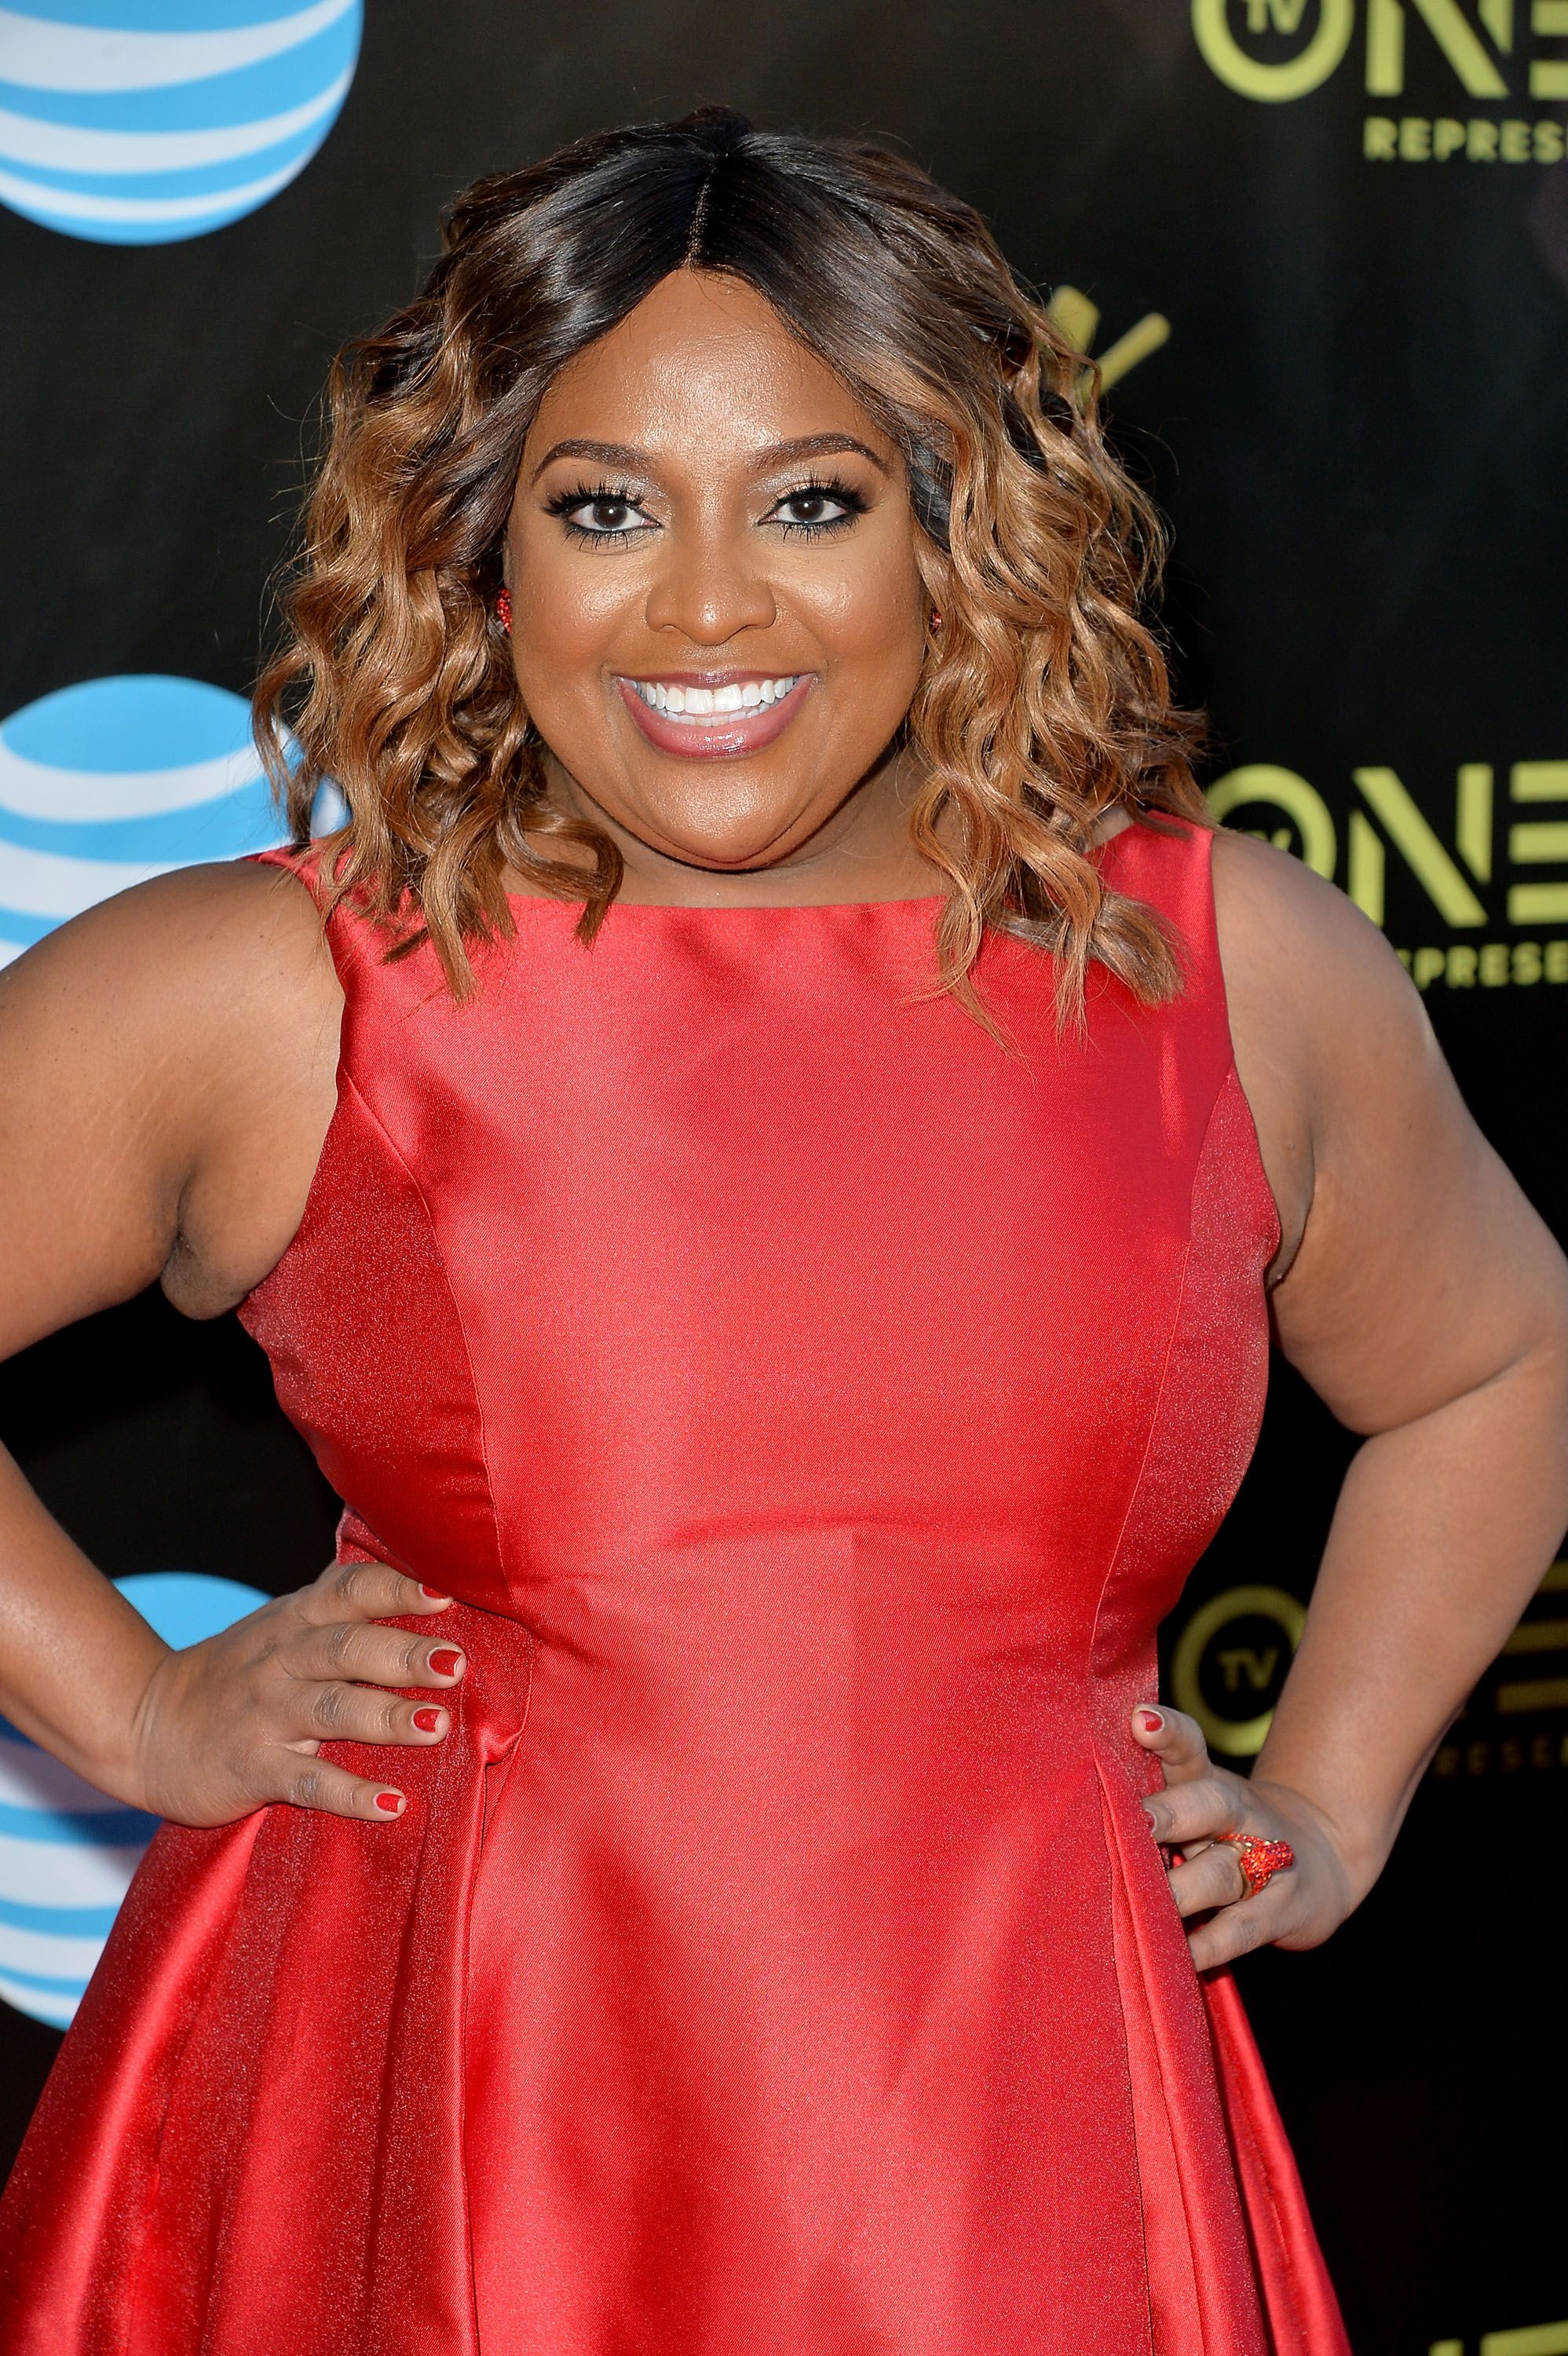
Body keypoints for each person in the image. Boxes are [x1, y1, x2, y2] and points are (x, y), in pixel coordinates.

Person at [0, 107, 1563, 2356]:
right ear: (480, 548)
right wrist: (136, 1707)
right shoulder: (272, 989)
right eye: (606, 505)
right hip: (446, 2098)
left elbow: (1501, 1366)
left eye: (813, 501)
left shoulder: (1231, 973)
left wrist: (1328, 1795)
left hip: (1021, 2135)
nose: (708, 606)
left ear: (957, 523)